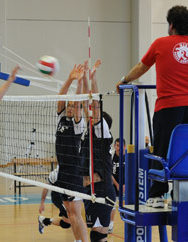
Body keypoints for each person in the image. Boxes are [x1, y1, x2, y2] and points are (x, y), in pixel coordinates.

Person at [116, 5, 188, 208]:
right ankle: (182, 194)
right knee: (186, 150)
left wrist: (124, 79)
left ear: (171, 24)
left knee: (162, 149)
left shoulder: (161, 44)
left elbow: (141, 67)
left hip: (169, 106)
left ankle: (157, 195)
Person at [81, 59, 116, 242]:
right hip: (90, 191)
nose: (91, 116)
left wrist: (93, 79)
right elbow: (89, 102)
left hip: (102, 190)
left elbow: (95, 104)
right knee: (95, 235)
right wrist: (86, 79)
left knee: (99, 236)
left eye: (96, 117)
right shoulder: (90, 131)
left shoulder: (102, 131)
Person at [55, 64, 88, 242]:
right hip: (62, 171)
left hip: (74, 172)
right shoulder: (61, 118)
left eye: (72, 106)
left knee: (76, 213)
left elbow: (78, 103)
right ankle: (77, 240)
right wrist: (69, 78)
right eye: (68, 105)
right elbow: (61, 97)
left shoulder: (78, 123)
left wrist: (80, 81)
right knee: (69, 212)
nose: (69, 107)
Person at [38, 167, 71, 234]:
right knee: (73, 218)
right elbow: (46, 188)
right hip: (58, 198)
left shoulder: (74, 170)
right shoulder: (54, 174)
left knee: (66, 224)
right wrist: (42, 203)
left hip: (68, 197)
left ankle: (44, 220)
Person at [109, 138, 126, 234]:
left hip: (126, 185)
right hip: (114, 184)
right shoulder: (111, 155)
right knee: (112, 204)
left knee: (130, 204)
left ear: (125, 147)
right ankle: (110, 224)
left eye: (121, 146)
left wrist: (125, 185)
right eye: (117, 145)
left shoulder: (129, 156)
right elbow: (109, 173)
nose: (119, 148)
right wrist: (117, 184)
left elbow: (132, 172)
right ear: (115, 146)